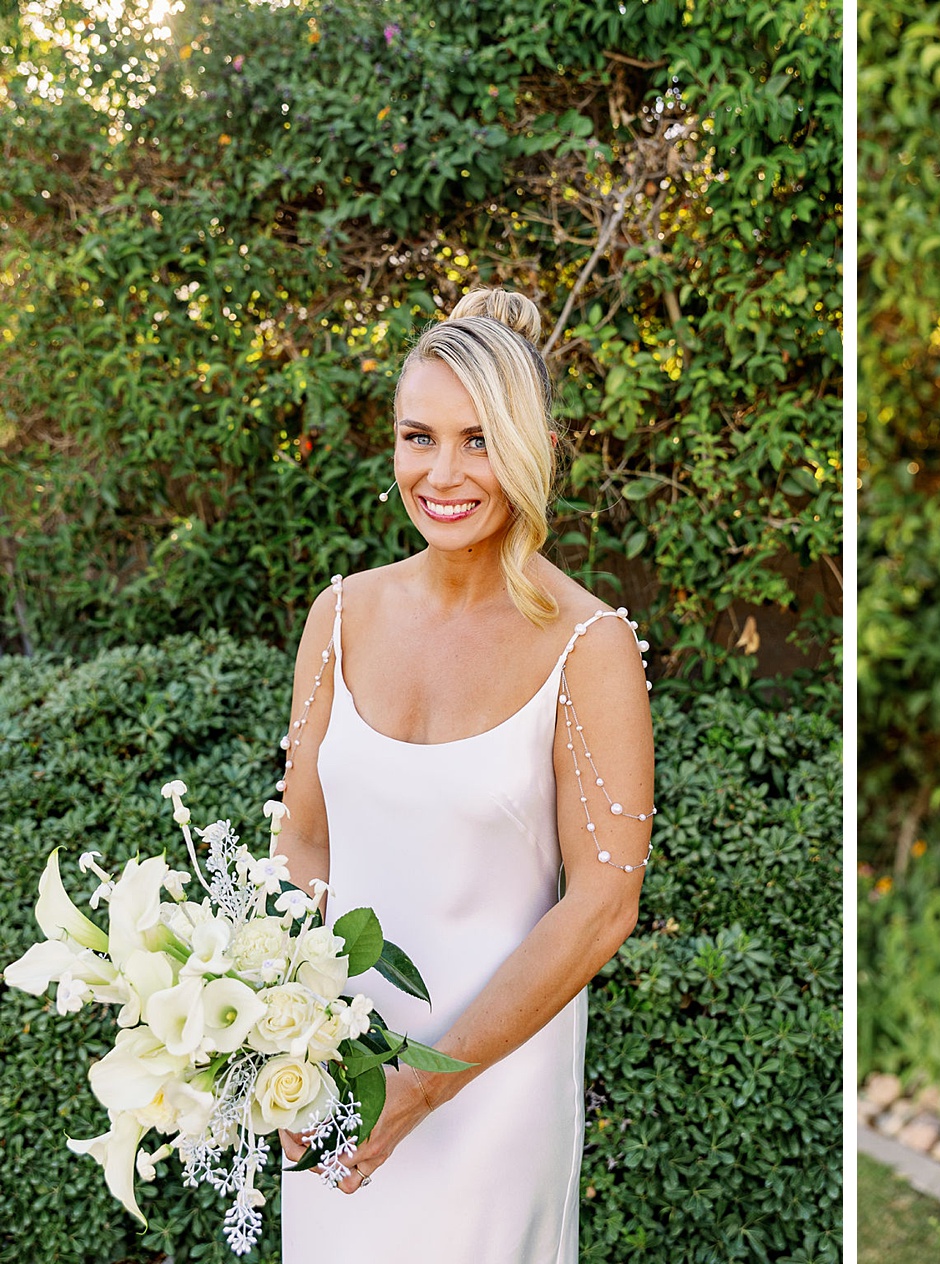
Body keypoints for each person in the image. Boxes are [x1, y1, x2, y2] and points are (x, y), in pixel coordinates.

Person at [270, 287, 654, 1262]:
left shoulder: (589, 644)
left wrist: (428, 1080)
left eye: (478, 441)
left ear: (527, 452)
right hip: (334, 1073)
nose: (443, 473)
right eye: (418, 436)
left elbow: (602, 902)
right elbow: (305, 838)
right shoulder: (340, 615)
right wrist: (287, 1041)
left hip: (495, 1093)